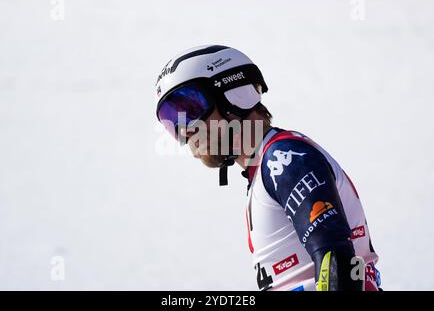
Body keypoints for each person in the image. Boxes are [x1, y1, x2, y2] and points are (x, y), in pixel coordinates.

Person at [155, 45, 381, 291]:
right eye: (172, 121)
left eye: (189, 111)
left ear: (234, 95)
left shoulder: (284, 160)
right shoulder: (265, 170)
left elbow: (338, 262)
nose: (185, 131)